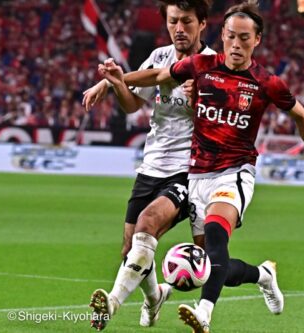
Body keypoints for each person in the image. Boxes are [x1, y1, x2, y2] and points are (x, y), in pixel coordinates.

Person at [98, 1, 304, 332]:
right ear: (222, 35)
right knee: (207, 264)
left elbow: (301, 115)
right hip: (198, 175)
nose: (237, 45)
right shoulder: (201, 65)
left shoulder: (267, 83)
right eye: (232, 37)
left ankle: (204, 313)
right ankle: (262, 274)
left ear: (258, 40)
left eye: (245, 39)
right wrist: (112, 80)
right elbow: (157, 75)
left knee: (214, 238)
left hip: (235, 172)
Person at [83, 0, 215, 330]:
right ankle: (155, 298)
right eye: (173, 22)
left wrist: (200, 96)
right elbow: (131, 105)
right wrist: (115, 83)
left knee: (148, 222)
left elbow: (220, 120)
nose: (179, 29)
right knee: (131, 250)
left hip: (189, 168)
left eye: (186, 21)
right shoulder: (159, 56)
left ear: (203, 24)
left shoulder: (214, 64)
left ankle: (111, 305)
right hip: (150, 165)